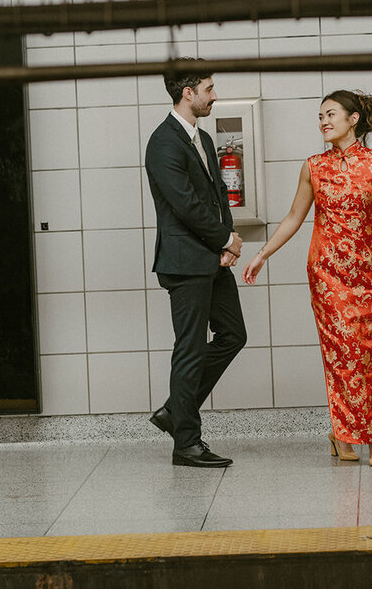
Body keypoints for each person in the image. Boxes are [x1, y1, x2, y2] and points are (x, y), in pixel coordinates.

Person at [242, 90, 372, 468]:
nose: (323, 122)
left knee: (363, 354)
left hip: (367, 274)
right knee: (340, 355)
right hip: (327, 275)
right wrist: (263, 254)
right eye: (320, 117)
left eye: (331, 115)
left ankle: (344, 433)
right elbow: (293, 218)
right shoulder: (313, 167)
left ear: (354, 120)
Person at [144, 58, 247, 468]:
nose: (214, 95)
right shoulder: (163, 142)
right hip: (185, 262)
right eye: (208, 89)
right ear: (188, 93)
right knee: (188, 349)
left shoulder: (201, 139)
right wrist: (224, 238)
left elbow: (218, 193)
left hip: (211, 258)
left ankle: (174, 411)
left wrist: (228, 241)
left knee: (232, 335)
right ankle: (186, 442)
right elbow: (184, 204)